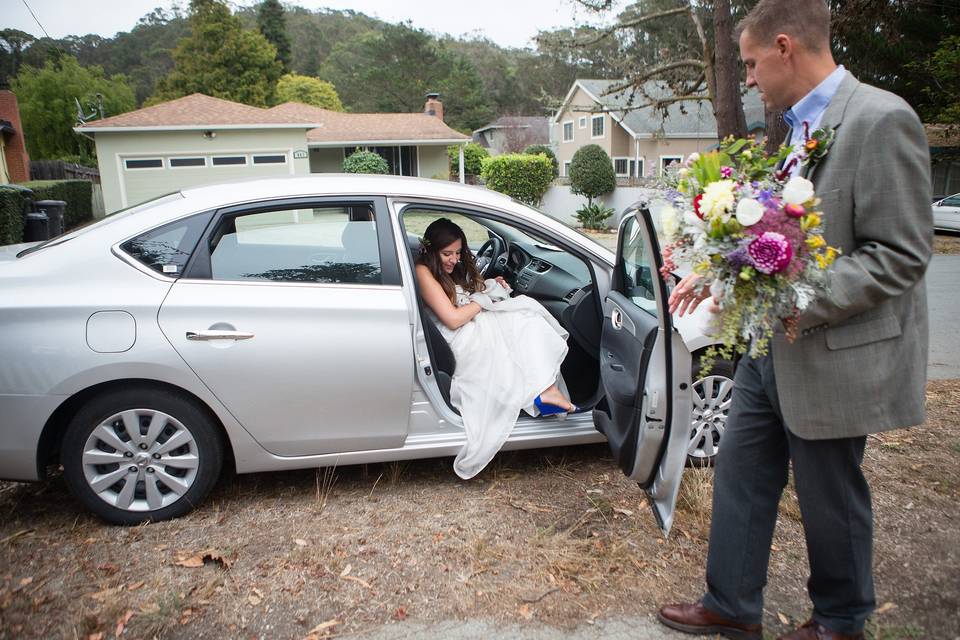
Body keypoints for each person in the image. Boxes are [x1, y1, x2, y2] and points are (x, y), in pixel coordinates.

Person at [657, 1, 933, 639]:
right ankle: (730, 605)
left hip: (832, 351)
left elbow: (900, 255)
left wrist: (790, 298)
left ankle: (840, 621)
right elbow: (777, 240)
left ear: (785, 47)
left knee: (828, 496)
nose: (748, 78)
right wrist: (725, 269)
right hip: (766, 351)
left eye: (751, 63)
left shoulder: (881, 119)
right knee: (741, 476)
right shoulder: (793, 132)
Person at [414, 217, 577, 479]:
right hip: (454, 335)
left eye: (458, 253)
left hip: (466, 324)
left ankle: (545, 391)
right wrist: (486, 299)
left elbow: (464, 293)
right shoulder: (423, 271)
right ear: (430, 251)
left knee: (523, 319)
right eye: (446, 254)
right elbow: (453, 319)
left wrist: (488, 286)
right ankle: (543, 392)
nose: (453, 259)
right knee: (521, 319)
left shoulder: (450, 268)